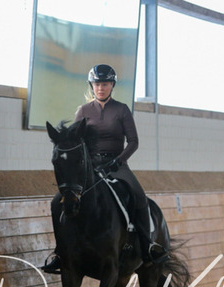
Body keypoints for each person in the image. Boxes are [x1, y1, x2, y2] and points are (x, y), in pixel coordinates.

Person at [42, 64, 168, 273]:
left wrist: (119, 160)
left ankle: (147, 246)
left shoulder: (122, 110)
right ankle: (60, 251)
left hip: (117, 164)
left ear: (112, 86)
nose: (101, 88)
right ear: (92, 85)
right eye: (97, 84)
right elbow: (75, 140)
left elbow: (134, 142)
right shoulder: (83, 111)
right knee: (57, 202)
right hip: (90, 166)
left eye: (105, 84)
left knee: (139, 197)